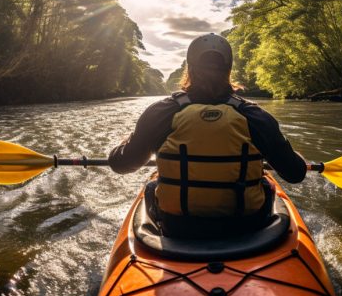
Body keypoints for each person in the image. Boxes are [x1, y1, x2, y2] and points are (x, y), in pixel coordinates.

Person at [108, 33, 306, 238]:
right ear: (228, 70)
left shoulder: (161, 112)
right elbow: (295, 173)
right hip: (246, 226)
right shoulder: (255, 116)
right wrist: (288, 153)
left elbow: (120, 164)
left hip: (177, 227)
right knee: (267, 185)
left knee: (151, 187)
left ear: (189, 69)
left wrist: (127, 141)